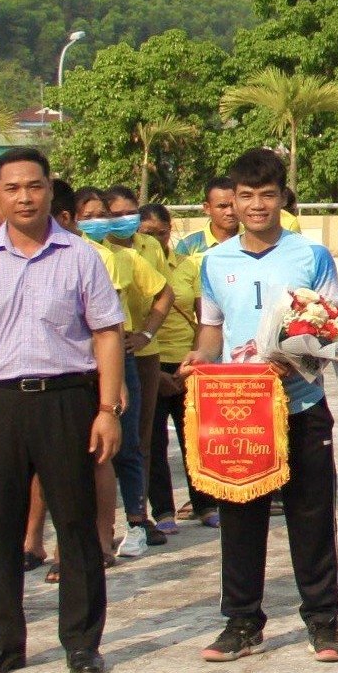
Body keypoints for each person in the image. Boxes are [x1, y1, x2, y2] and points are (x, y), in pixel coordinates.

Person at [0, 148, 126, 673]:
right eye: (13, 188)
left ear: (50, 190)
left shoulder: (80, 256)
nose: (25, 197)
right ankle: (2, 642)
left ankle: (82, 642)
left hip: (67, 399)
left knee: (75, 525)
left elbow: (107, 334)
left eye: (35, 186)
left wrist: (108, 409)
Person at [184, 148, 338, 664]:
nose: (257, 206)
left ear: (283, 198)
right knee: (239, 515)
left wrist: (296, 361)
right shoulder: (215, 261)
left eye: (268, 195)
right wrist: (199, 358)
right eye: (247, 195)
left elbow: (334, 328)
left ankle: (322, 621)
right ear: (230, 200)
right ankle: (241, 621)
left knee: (311, 514)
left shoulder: (311, 255)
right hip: (239, 409)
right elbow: (212, 330)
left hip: (300, 404)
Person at [74, 189, 171, 561]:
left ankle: (135, 522)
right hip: (78, 360)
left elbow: (163, 293)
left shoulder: (125, 257)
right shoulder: (74, 255)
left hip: (119, 357)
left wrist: (145, 332)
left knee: (127, 442)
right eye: (92, 215)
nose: (101, 222)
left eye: (105, 215)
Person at [135, 202, 202, 532]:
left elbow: (206, 318)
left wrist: (197, 354)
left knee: (196, 436)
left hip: (188, 361)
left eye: (162, 233)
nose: (157, 240)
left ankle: (205, 503)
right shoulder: (135, 266)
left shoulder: (188, 266)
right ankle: (162, 510)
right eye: (148, 233)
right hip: (151, 360)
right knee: (154, 442)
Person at [174, 177, 239, 257]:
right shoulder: (188, 244)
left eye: (234, 205)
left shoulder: (254, 239)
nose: (230, 212)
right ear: (207, 208)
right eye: (222, 206)